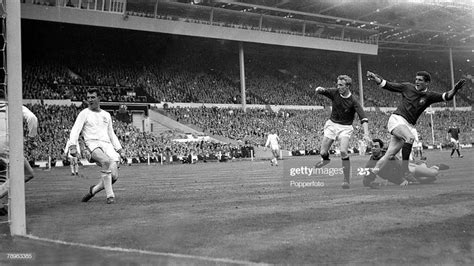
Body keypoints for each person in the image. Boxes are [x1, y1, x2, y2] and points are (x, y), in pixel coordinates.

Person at [366, 70, 465, 185]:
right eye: (416, 79)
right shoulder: (407, 87)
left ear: (427, 83)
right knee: (410, 138)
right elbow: (387, 85)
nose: (416, 81)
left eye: (420, 80)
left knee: (389, 154)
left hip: (407, 124)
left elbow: (447, 96)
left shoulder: (429, 96)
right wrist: (375, 78)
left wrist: (455, 89)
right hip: (397, 119)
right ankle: (405, 170)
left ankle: (371, 176)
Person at [65, 88, 125, 204]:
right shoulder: (84, 113)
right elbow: (75, 130)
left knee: (114, 176)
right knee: (105, 161)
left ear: (99, 98)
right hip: (92, 144)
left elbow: (111, 134)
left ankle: (93, 190)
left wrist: (119, 149)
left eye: (93, 97)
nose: (90, 100)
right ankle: (110, 196)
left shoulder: (106, 115)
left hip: (107, 145)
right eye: (88, 98)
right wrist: (72, 146)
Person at [314, 75, 370, 189]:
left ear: (348, 86)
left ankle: (346, 180)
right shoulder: (335, 93)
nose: (338, 86)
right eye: (337, 84)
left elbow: (363, 118)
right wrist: (319, 90)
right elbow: (324, 90)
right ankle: (325, 160)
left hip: (345, 127)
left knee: (343, 151)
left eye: (341, 85)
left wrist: (366, 134)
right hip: (332, 125)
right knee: (323, 152)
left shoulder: (354, 101)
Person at [0, 104, 38, 216]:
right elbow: (32, 118)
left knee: (2, 176)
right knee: (28, 174)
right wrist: (31, 139)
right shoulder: (13, 104)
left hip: (5, 146)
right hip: (7, 144)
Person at [362, 139, 449, 188]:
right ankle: (422, 163)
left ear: (381, 148)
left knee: (433, 173)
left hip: (408, 170)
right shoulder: (371, 162)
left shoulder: (388, 155)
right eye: (372, 147)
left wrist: (403, 179)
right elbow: (365, 179)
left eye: (376, 146)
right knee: (427, 180)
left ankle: (436, 166)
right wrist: (370, 183)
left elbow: (398, 166)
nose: (373, 148)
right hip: (402, 176)